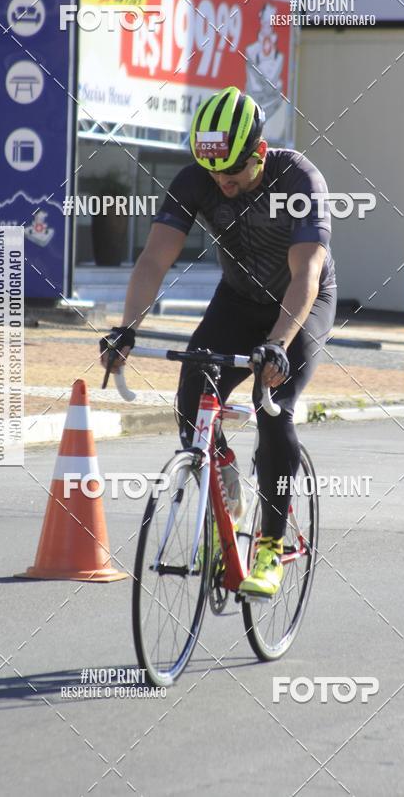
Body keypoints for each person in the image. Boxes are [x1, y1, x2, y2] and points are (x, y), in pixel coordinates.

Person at [100, 85, 336, 598]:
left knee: (271, 406)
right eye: (213, 174)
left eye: (232, 174)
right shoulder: (196, 181)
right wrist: (127, 328)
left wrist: (277, 343)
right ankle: (222, 473)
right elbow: (154, 260)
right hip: (238, 298)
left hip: (300, 302)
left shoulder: (299, 178)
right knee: (192, 395)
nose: (222, 184)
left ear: (259, 153)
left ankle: (271, 546)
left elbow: (306, 274)